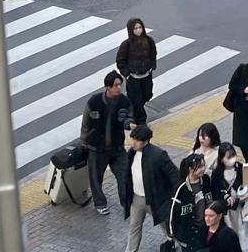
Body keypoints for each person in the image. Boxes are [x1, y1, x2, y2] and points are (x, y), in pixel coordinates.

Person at [121, 124, 179, 252]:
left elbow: (174, 175)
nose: (133, 143)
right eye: (132, 139)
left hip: (155, 199)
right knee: (134, 227)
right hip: (136, 198)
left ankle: (175, 246)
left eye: (136, 140)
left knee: (167, 227)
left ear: (145, 141)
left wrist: (174, 197)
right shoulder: (132, 153)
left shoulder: (158, 155)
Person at [83, 70, 134, 214]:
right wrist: (85, 141)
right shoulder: (94, 101)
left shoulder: (124, 102)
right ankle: (100, 204)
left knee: (124, 175)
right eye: (116, 85)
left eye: (120, 85)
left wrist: (130, 125)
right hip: (96, 148)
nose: (119, 88)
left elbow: (128, 118)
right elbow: (86, 122)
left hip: (117, 148)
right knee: (96, 177)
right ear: (108, 87)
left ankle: (126, 203)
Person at [117, 18, 158, 126]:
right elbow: (120, 61)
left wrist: (152, 67)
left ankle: (132, 113)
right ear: (131, 30)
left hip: (146, 75)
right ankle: (141, 122)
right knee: (137, 101)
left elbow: (153, 54)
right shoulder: (126, 45)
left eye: (140, 27)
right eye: (135, 28)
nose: (138, 30)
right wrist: (127, 74)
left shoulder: (149, 41)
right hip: (133, 78)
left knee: (147, 95)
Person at [169, 153, 209, 251]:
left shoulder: (206, 180)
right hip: (187, 232)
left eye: (204, 166)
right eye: (200, 167)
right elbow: (173, 213)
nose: (203, 169)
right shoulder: (181, 188)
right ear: (191, 169)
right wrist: (171, 233)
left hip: (204, 229)